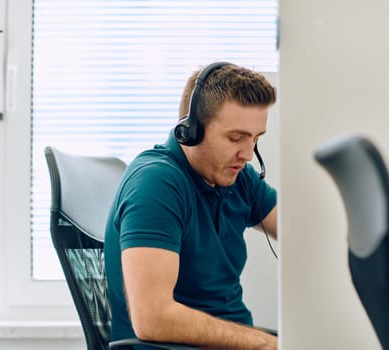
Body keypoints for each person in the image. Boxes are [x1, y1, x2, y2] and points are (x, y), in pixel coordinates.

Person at [104, 62, 278, 349]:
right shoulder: (157, 184)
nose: (248, 154)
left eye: (256, 139)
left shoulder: (237, 176)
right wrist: (264, 343)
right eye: (235, 138)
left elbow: (299, 234)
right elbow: (153, 317)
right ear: (191, 130)